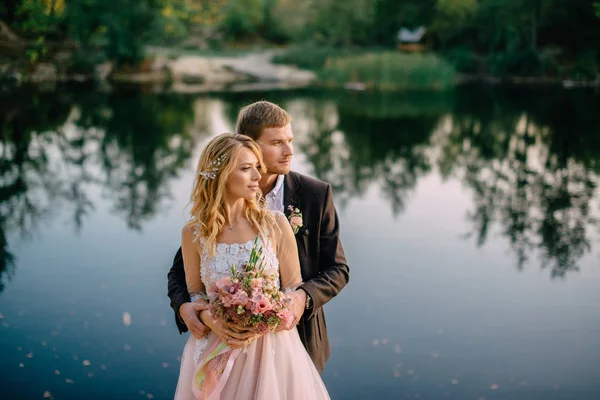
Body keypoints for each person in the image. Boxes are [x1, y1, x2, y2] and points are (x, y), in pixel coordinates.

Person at [168, 101, 349, 373]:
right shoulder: (209, 218)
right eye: (277, 142)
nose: (289, 151)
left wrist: (302, 297)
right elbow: (183, 272)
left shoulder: (315, 195)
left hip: (296, 339)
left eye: (290, 140)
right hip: (223, 344)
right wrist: (187, 308)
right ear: (249, 143)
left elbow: (338, 268)